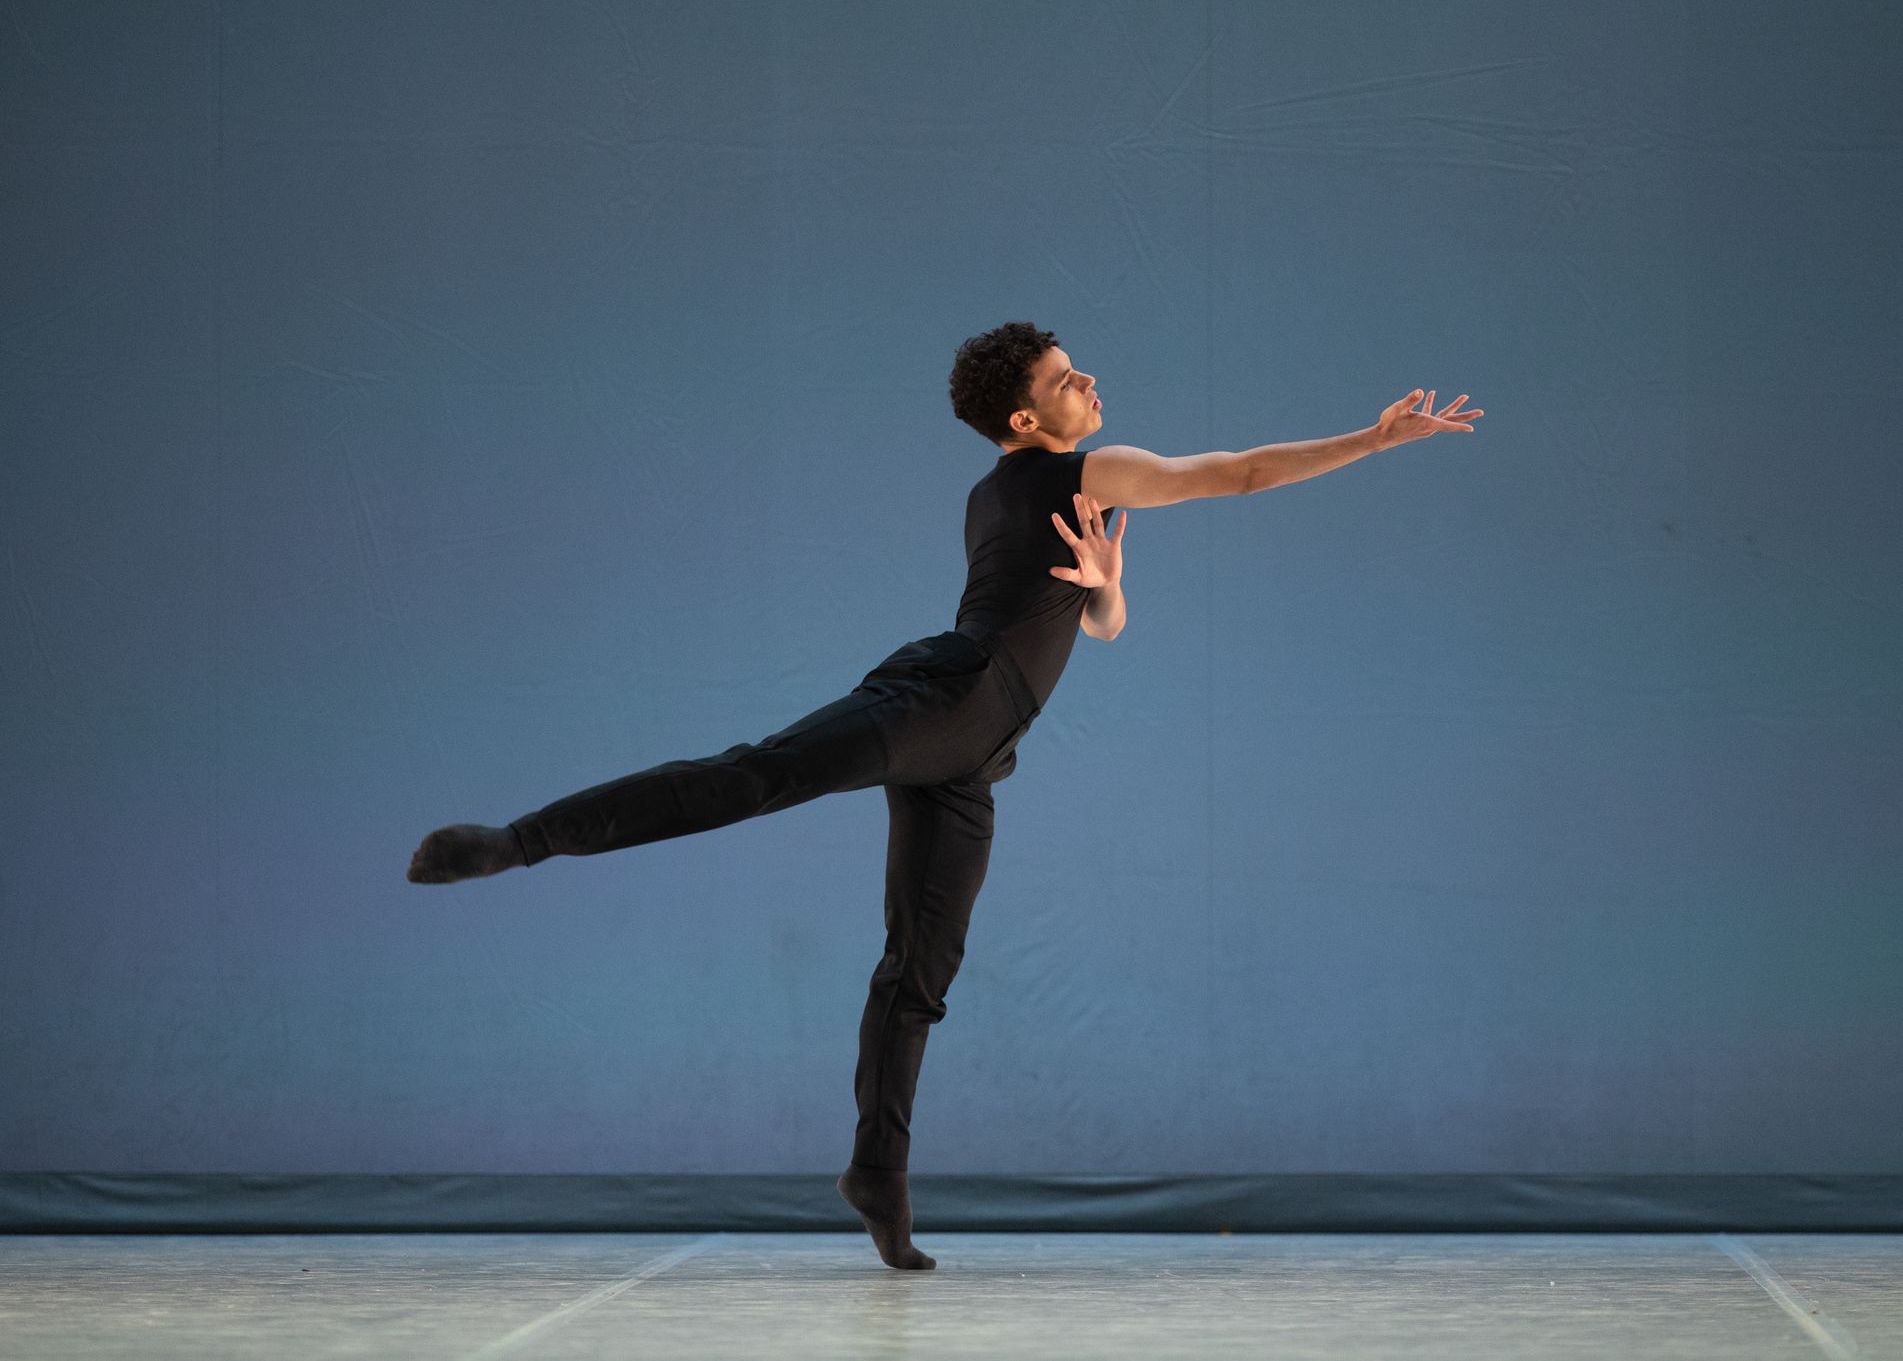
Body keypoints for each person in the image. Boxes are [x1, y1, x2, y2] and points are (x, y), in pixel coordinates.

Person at [406, 320, 1483, 1269]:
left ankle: (877, 1173)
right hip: (942, 701)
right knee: (755, 774)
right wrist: (1372, 438)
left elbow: (1096, 626)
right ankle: (513, 840)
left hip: (973, 753)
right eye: (1065, 379)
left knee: (919, 972)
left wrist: (1109, 587)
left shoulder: (1026, 493)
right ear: (1025, 418)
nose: (1087, 382)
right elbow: (1237, 474)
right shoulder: (1081, 472)